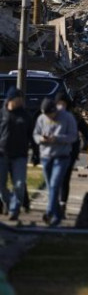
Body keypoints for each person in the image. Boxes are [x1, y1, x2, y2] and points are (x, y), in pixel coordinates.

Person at [55, 93, 88, 219]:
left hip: (70, 151)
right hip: (56, 151)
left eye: (62, 104)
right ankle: (56, 204)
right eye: (58, 104)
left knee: (65, 177)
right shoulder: (54, 116)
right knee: (56, 179)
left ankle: (62, 204)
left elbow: (86, 132)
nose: (60, 107)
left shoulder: (74, 117)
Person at [33, 98, 76, 227]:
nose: (48, 117)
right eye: (45, 115)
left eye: (50, 115)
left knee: (55, 184)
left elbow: (73, 136)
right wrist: (41, 139)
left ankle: (49, 212)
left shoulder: (67, 117)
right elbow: (35, 134)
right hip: (46, 156)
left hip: (61, 157)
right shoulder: (41, 118)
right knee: (50, 187)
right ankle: (57, 217)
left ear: (54, 110)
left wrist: (56, 139)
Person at [0, 88, 33, 220]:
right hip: (2, 154)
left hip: (20, 155)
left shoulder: (25, 115)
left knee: (19, 185)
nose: (19, 102)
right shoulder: (1, 114)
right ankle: (8, 202)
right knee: (1, 186)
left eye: (21, 100)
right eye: (16, 100)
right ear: (10, 100)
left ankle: (14, 209)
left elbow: (31, 135)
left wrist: (35, 152)